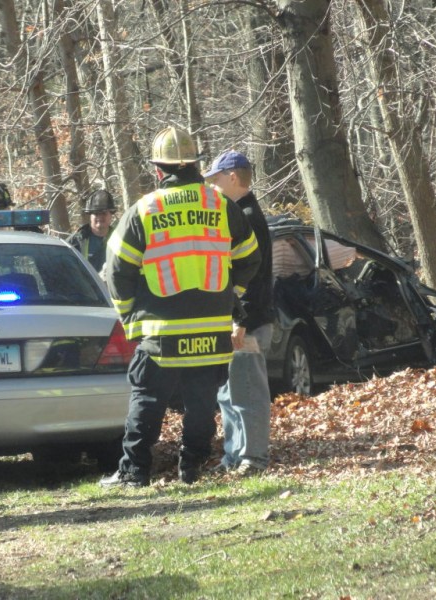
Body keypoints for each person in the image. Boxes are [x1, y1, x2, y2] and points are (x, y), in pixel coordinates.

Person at [101, 126, 261, 487]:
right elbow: (250, 258)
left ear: (159, 169)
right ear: (195, 165)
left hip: (160, 332)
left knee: (148, 399)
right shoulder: (221, 205)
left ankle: (134, 472)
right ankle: (191, 469)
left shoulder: (144, 210)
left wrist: (129, 317)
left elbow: (117, 269)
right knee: (202, 402)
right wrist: (228, 293)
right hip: (210, 328)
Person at [204, 150, 274, 476]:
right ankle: (233, 457)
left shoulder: (247, 217)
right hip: (237, 320)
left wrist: (239, 321)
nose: (213, 188)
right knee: (229, 394)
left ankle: (254, 459)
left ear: (233, 178)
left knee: (247, 393)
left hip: (248, 322)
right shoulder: (238, 214)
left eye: (215, 181)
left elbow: (253, 278)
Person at [67, 190, 118, 273]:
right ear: (90, 215)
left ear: (111, 215)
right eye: (96, 213)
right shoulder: (76, 241)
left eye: (104, 213)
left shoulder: (120, 239)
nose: (100, 217)